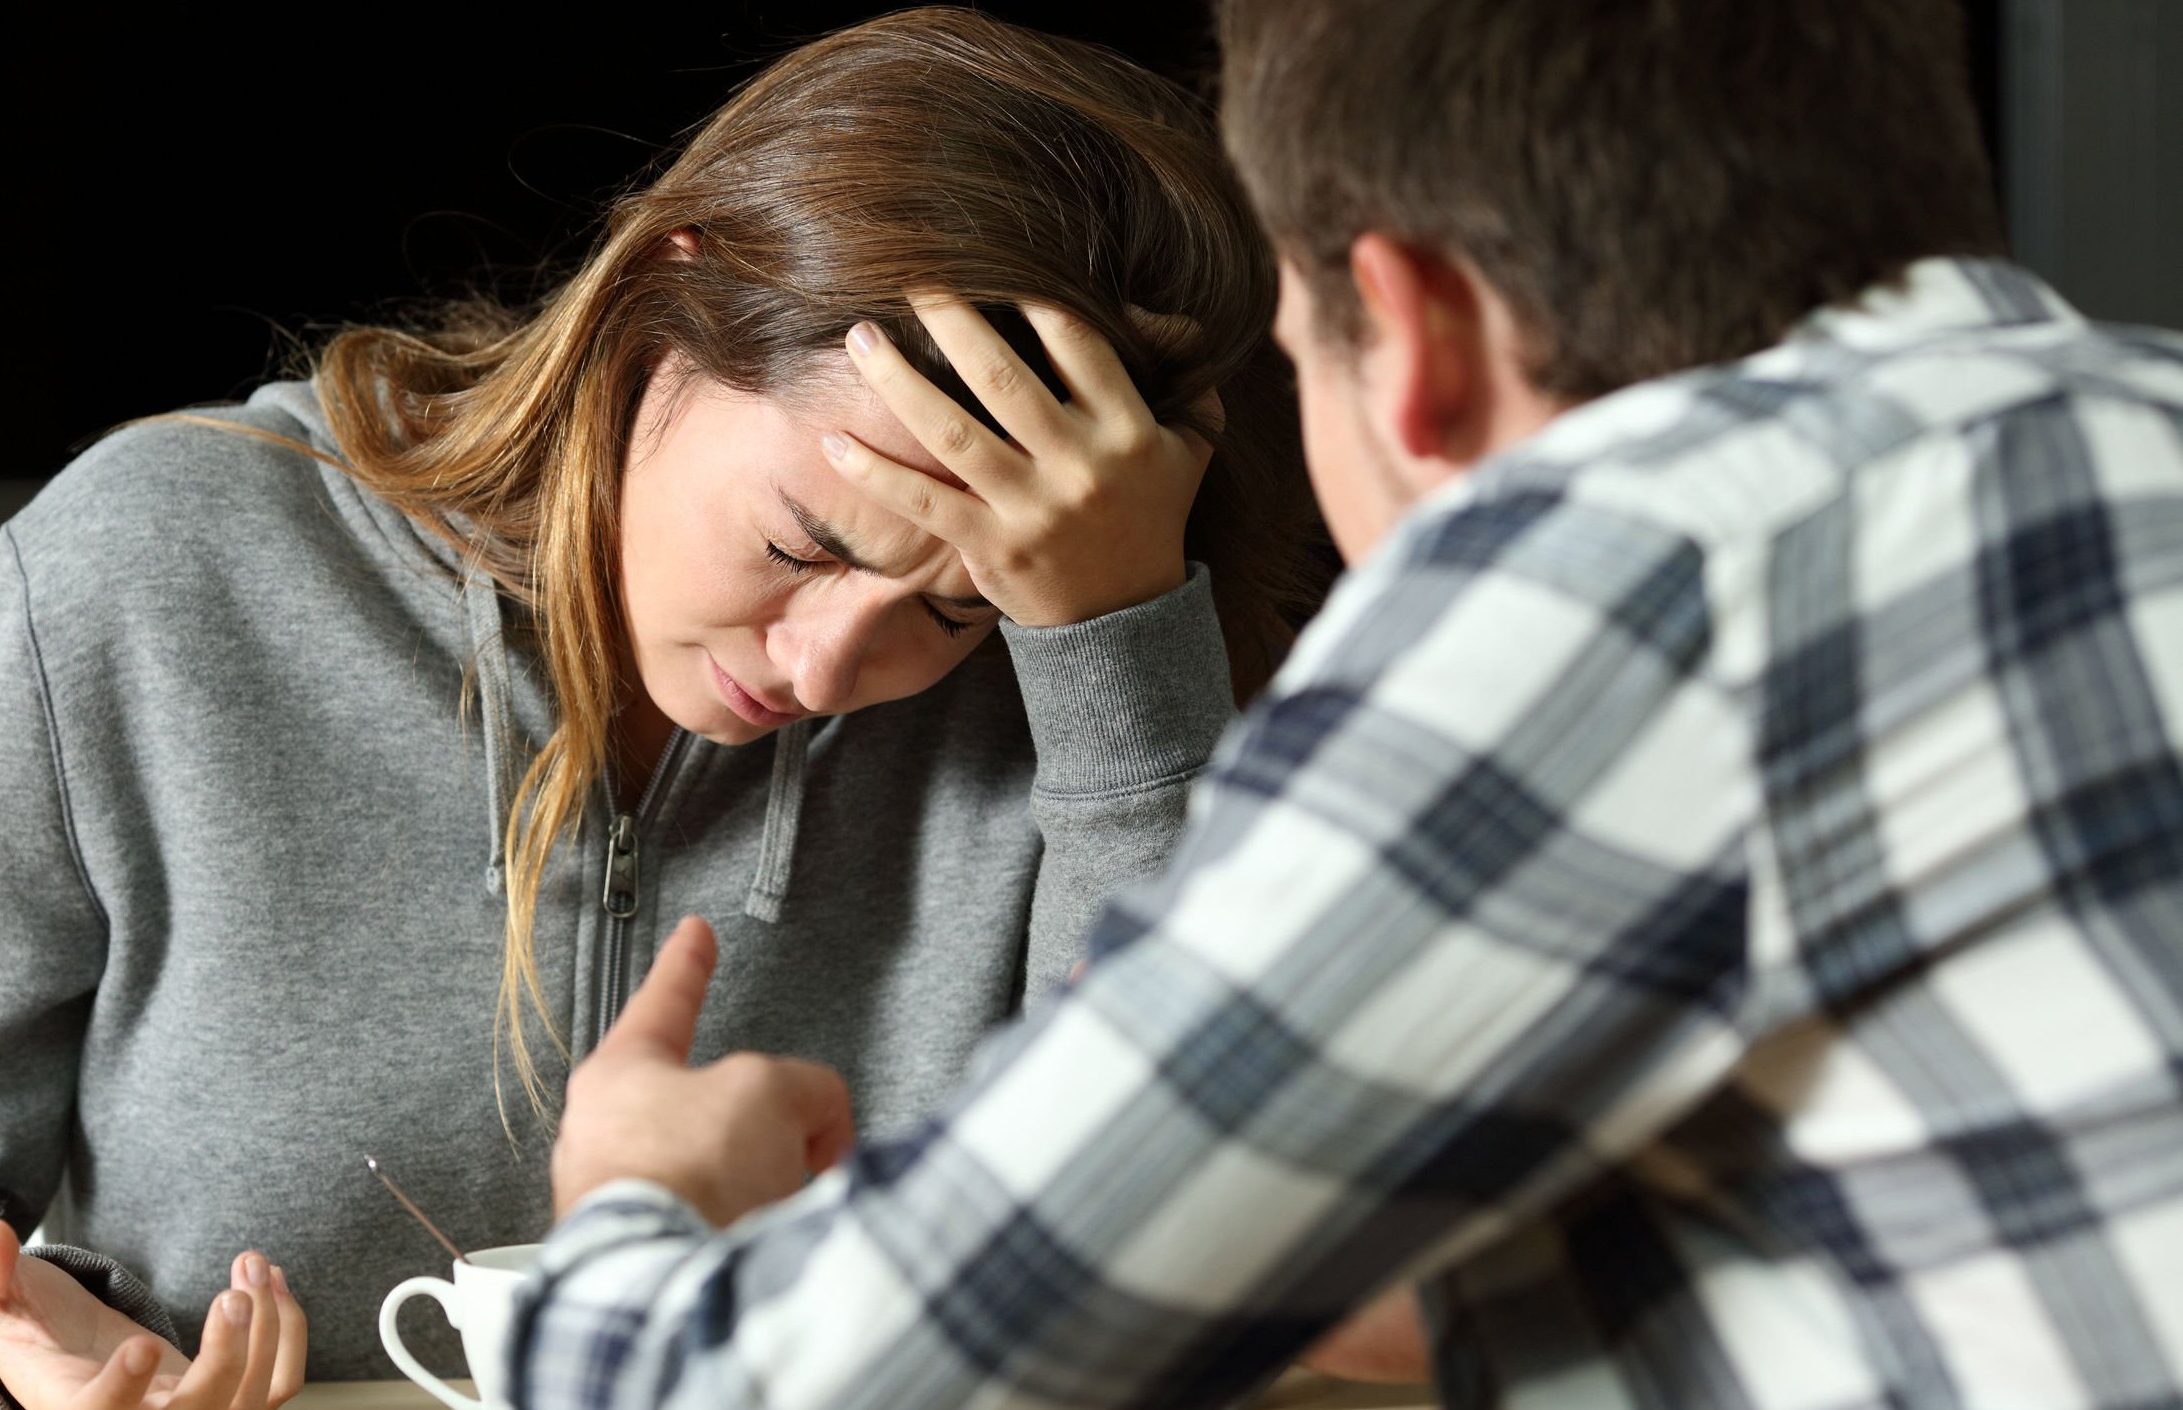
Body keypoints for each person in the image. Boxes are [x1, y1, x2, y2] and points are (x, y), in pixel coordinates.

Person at [512, 0, 2183, 1406]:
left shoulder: (1628, 580)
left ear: (1411, 328)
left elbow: (750, 1387)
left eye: (1301, 361)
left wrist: (635, 1197)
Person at [0, 10, 1330, 1407]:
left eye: (957, 604)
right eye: (802, 542)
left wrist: (1115, 647)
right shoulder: (154, 567)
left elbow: (1197, 1248)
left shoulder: (1087, 674)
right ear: (658, 312)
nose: (832, 665)